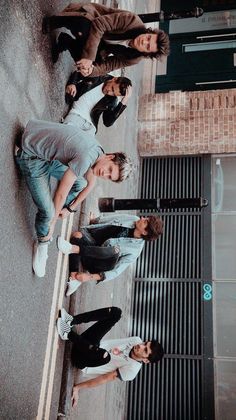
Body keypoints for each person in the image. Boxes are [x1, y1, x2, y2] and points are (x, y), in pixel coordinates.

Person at [14, 120, 132, 278]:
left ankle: (51, 202)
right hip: (30, 154)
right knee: (49, 214)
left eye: (110, 177)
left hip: (39, 143)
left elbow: (90, 184)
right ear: (110, 157)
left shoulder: (97, 150)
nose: (106, 174)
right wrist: (53, 222)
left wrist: (70, 208)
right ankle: (43, 241)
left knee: (81, 182)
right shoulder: (86, 158)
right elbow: (61, 193)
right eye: (109, 169)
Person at [56, 306, 164, 408]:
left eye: (145, 349)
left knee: (106, 357)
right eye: (145, 343)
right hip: (87, 343)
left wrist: (77, 387)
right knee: (116, 313)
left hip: (82, 360)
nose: (141, 345)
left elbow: (104, 379)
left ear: (146, 360)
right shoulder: (136, 340)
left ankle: (67, 334)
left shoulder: (132, 370)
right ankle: (71, 320)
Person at [42, 3, 170, 76]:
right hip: (90, 17)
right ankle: (56, 21)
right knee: (84, 28)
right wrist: (89, 58)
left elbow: (109, 66)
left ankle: (65, 41)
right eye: (148, 38)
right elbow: (99, 24)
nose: (144, 41)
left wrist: (91, 70)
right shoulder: (133, 21)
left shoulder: (134, 58)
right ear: (149, 32)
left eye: (147, 46)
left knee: (88, 65)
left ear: (146, 53)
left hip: (100, 43)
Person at [57, 213, 163, 296]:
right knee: (77, 235)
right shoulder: (133, 219)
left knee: (115, 250)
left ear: (144, 232)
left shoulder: (135, 250)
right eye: (146, 218)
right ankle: (74, 277)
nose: (143, 218)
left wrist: (89, 277)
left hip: (98, 263)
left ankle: (72, 248)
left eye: (145, 221)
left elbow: (116, 271)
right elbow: (114, 218)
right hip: (92, 246)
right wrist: (95, 220)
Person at [64, 73, 132, 134]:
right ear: (114, 79)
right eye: (112, 88)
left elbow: (107, 122)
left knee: (90, 146)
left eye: (113, 93)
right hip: (76, 115)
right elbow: (77, 74)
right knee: (66, 134)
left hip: (90, 127)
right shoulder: (99, 75)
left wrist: (123, 103)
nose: (109, 92)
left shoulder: (112, 100)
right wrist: (72, 83)